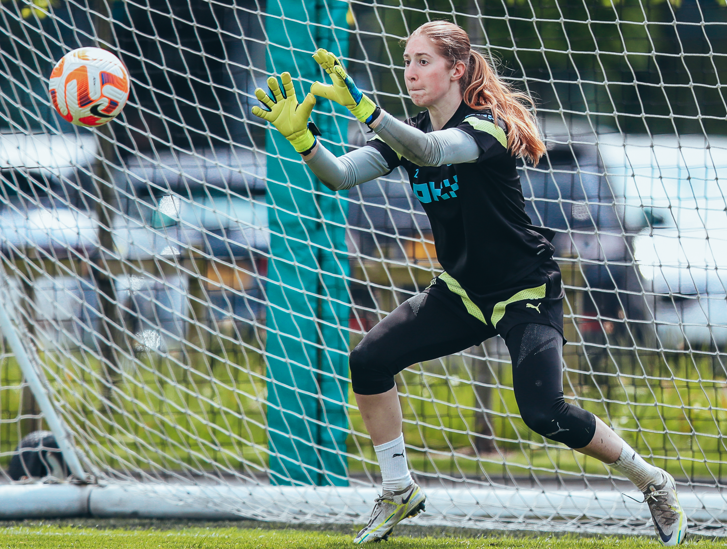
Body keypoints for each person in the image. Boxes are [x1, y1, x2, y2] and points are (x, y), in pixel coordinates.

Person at [251, 20, 688, 546]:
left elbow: (431, 152)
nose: (410, 71)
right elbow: (340, 175)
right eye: (407, 60)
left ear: (456, 69)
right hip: (461, 291)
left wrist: (366, 109)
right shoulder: (406, 130)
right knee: (368, 360)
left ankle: (653, 482)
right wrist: (303, 139)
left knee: (542, 413)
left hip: (524, 290)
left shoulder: (487, 128)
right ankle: (398, 490)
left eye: (423, 61)